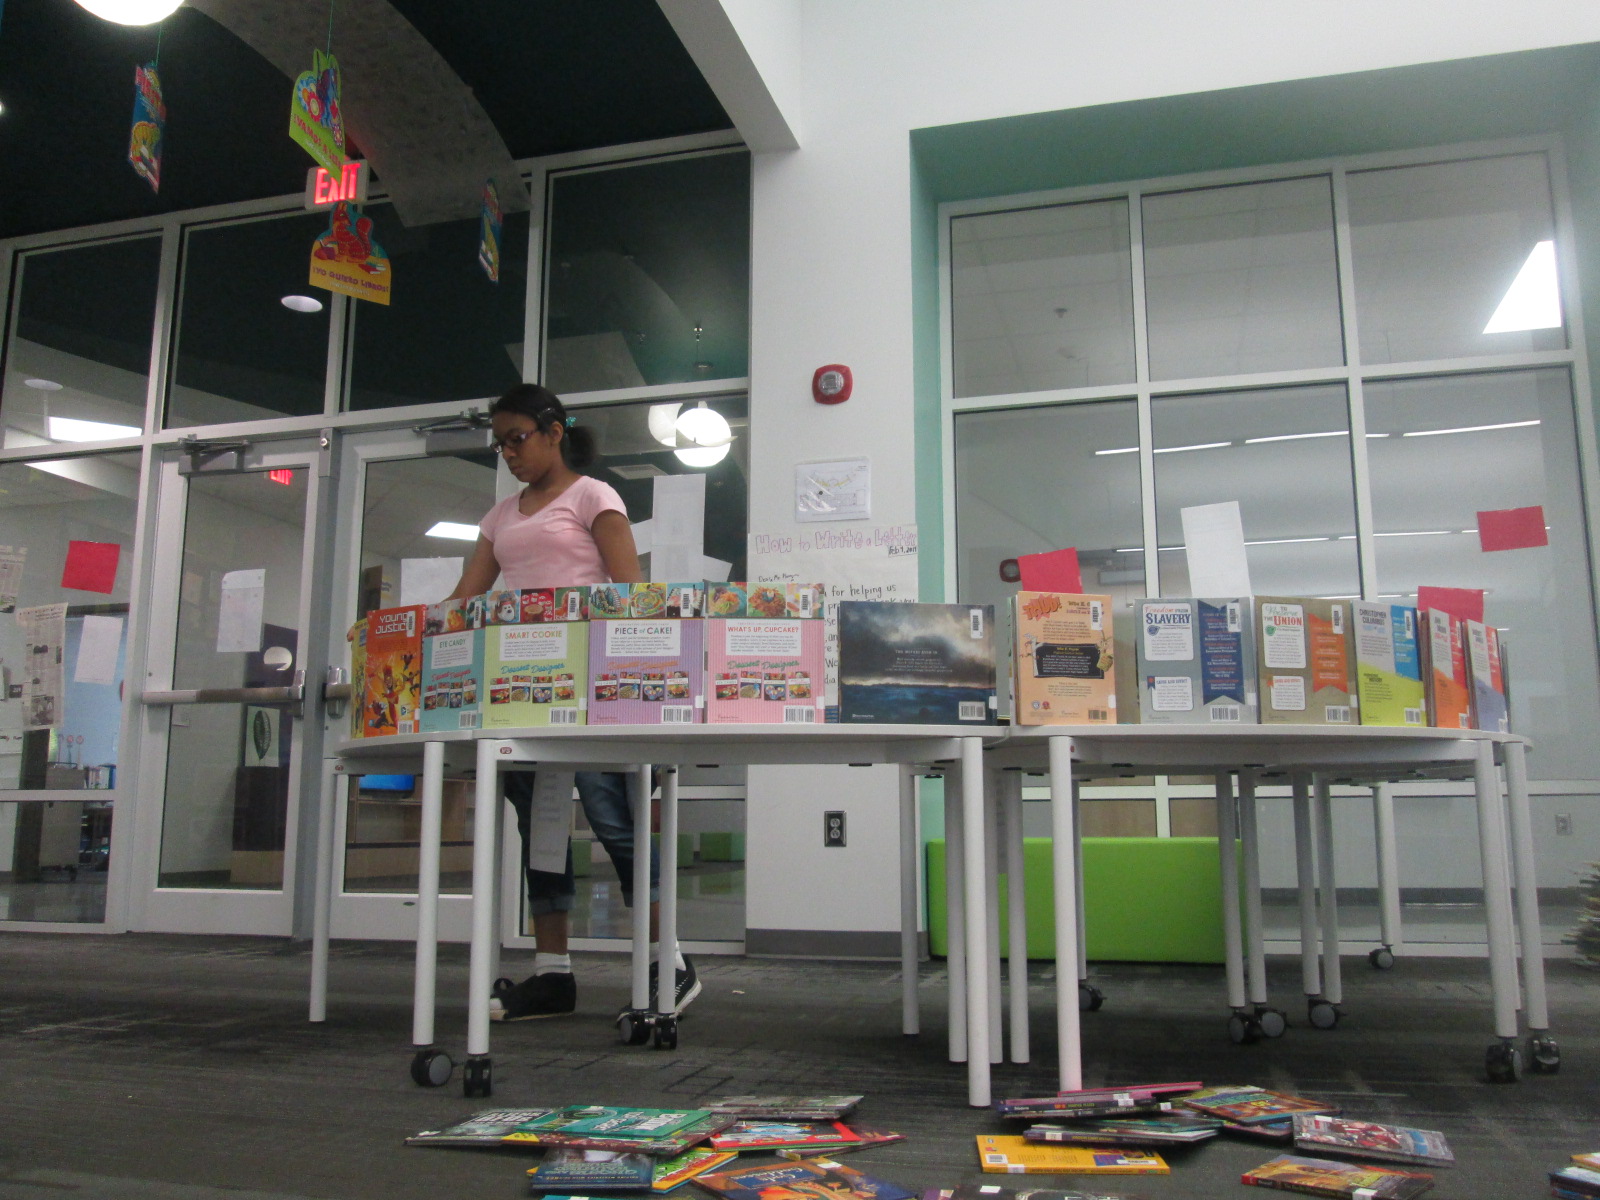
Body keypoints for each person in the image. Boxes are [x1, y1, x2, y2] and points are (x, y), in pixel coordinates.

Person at [447, 382, 698, 1021]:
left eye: (517, 439)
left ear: (554, 432)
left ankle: (669, 962)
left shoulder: (593, 496)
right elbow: (464, 601)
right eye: (500, 444)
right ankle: (553, 973)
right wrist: (402, 633)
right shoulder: (499, 518)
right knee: (542, 830)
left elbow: (630, 594)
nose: (509, 453)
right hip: (524, 693)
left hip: (593, 692)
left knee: (616, 822)